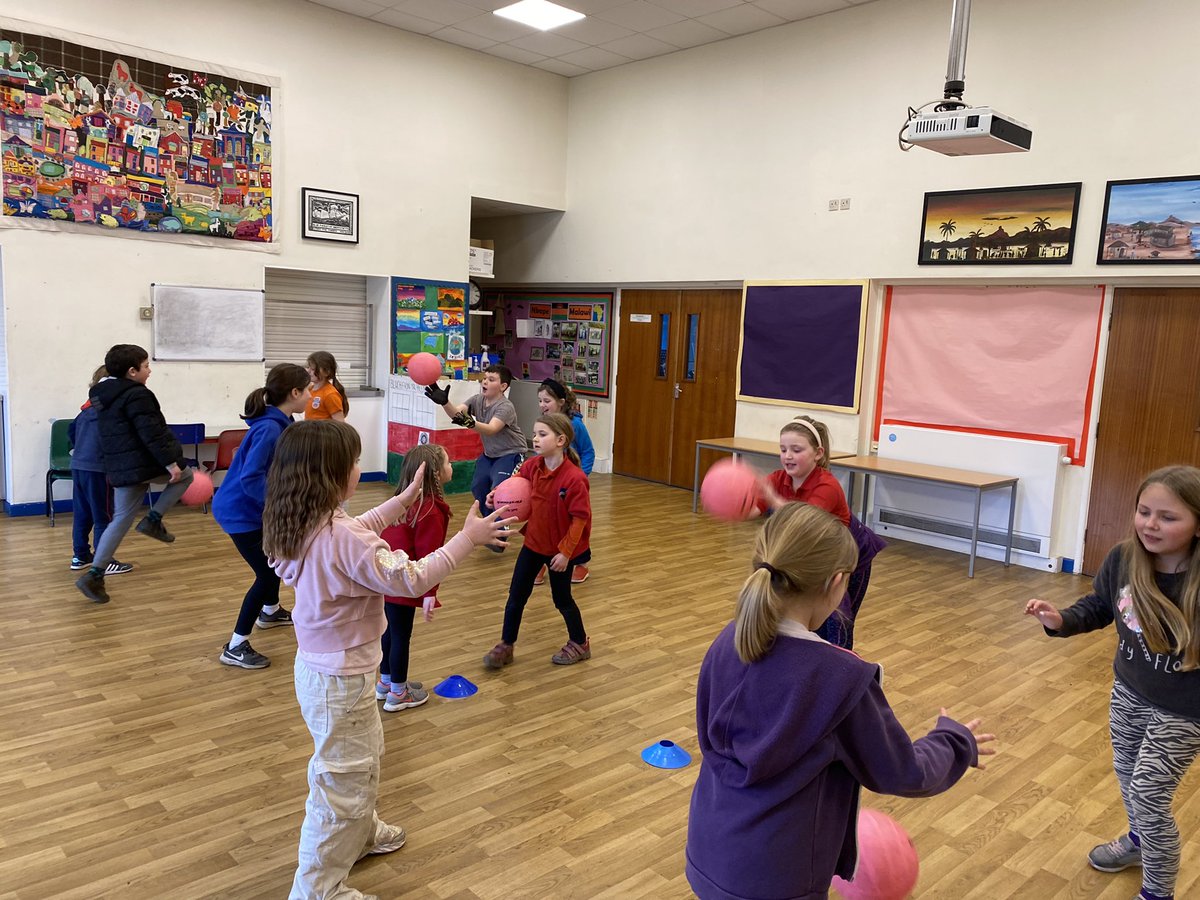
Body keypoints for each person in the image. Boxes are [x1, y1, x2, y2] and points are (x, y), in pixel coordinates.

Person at [686, 503, 994, 900]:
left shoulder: (729, 640)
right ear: (837, 582)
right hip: (778, 879)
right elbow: (904, 772)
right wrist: (953, 741)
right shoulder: (841, 679)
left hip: (709, 855)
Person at [264, 419, 510, 900]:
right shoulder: (341, 538)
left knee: (363, 762)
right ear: (332, 475)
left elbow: (353, 531)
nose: (360, 468)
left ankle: (360, 833)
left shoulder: (299, 519)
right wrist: (468, 539)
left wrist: (401, 502)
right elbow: (411, 578)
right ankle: (318, 890)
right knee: (340, 788)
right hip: (344, 679)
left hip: (322, 673)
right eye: (354, 462)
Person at [1025, 465, 1200, 900]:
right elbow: (1101, 606)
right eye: (1144, 511)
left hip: (1184, 708)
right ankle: (1139, 843)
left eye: (1168, 517)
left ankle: (1158, 892)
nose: (1151, 524)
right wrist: (1060, 619)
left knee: (1148, 792)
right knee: (1126, 774)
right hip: (1129, 691)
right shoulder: (1124, 558)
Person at [74, 344, 194, 605]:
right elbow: (151, 432)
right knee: (186, 477)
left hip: (120, 466)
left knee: (120, 519)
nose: (149, 370)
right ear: (131, 371)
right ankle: (153, 518)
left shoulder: (99, 395)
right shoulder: (138, 395)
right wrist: (171, 463)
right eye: (146, 365)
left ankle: (94, 574)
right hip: (144, 463)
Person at [213, 363, 311, 669]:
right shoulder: (269, 428)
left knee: (273, 562)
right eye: (307, 389)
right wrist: (277, 506)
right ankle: (236, 645)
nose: (311, 394)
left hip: (249, 510)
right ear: (295, 393)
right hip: (241, 513)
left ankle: (270, 611)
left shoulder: (282, 422)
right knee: (268, 572)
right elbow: (251, 477)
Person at [758, 415, 885, 649]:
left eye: (796, 450)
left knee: (838, 617)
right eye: (783, 449)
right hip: (816, 552)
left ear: (818, 453)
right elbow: (754, 506)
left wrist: (772, 500)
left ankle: (840, 663)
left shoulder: (827, 485)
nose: (787, 456)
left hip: (850, 556)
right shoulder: (778, 479)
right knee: (806, 608)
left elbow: (805, 521)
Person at [482, 412, 592, 669]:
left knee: (562, 599)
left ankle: (580, 642)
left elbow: (580, 520)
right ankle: (506, 645)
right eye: (534, 434)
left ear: (561, 440)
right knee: (516, 596)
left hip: (559, 551)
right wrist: (496, 496)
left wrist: (565, 553)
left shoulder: (575, 479)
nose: (535, 439)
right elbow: (515, 487)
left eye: (542, 434)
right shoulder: (533, 466)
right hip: (533, 544)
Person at [375, 444, 453, 712]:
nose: (451, 466)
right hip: (403, 583)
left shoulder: (400, 502)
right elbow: (430, 558)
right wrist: (430, 593)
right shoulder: (431, 510)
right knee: (400, 636)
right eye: (448, 462)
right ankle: (398, 692)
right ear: (435, 473)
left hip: (385, 580)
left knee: (390, 632)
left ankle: (385, 683)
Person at [424, 364, 525, 551]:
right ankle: (494, 528)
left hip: (510, 454)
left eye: (491, 379)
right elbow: (458, 414)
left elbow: (492, 428)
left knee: (497, 492)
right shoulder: (478, 400)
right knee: (478, 488)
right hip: (489, 455)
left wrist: (470, 422)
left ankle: (499, 532)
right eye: (484, 378)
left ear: (503, 386)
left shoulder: (505, 406)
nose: (485, 382)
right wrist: (445, 403)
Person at [68, 364, 133, 576]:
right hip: (99, 469)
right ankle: (104, 561)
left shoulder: (87, 408)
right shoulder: (112, 409)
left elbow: (72, 432)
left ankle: (80, 556)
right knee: (103, 516)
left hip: (78, 466)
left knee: (82, 513)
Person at [534, 378, 594, 585]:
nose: (542, 406)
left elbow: (588, 453)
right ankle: (541, 562)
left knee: (576, 524)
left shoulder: (575, 424)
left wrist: (580, 478)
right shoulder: (543, 423)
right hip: (549, 482)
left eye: (547, 401)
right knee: (546, 521)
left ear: (560, 402)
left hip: (571, 485)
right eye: (540, 401)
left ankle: (581, 563)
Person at [305, 351, 348, 422]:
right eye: (308, 367)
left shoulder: (330, 394)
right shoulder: (310, 389)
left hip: (323, 433)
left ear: (326, 372)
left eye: (313, 369)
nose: (308, 371)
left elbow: (340, 423)